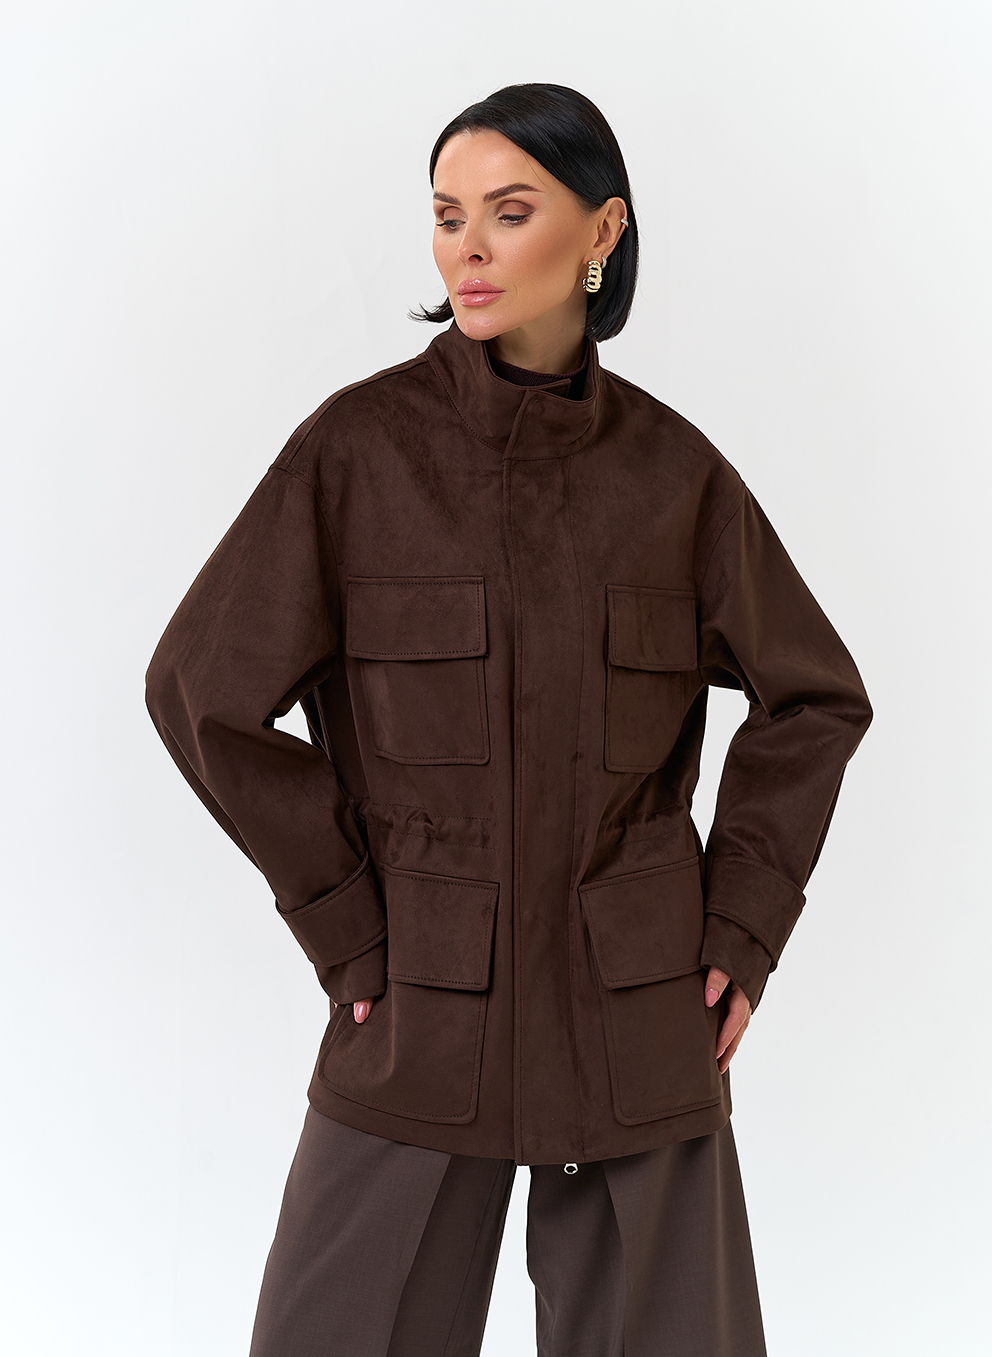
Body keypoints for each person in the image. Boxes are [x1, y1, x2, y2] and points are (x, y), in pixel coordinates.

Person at [144, 82, 873, 1357]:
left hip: (632, 1014)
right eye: (446, 216)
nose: (466, 249)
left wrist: (742, 926)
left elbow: (812, 696)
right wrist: (345, 925)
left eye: (508, 211)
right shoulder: (360, 455)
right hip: (421, 1003)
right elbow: (200, 690)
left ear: (601, 231)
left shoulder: (674, 478)